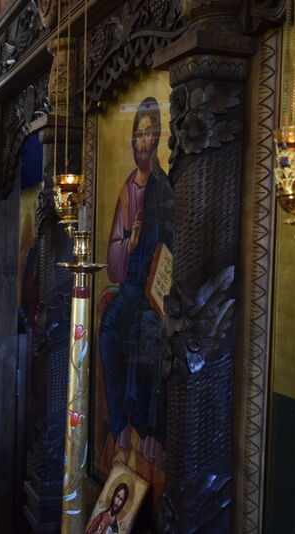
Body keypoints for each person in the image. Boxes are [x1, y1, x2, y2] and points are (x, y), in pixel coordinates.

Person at [98, 97, 174, 451]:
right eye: (138, 134)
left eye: (149, 134)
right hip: (130, 287)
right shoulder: (128, 190)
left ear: (157, 138)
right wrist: (129, 244)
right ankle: (119, 426)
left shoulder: (163, 187)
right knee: (109, 330)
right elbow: (114, 254)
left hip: (154, 290)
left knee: (146, 333)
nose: (143, 142)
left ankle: (145, 432)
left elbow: (171, 245)